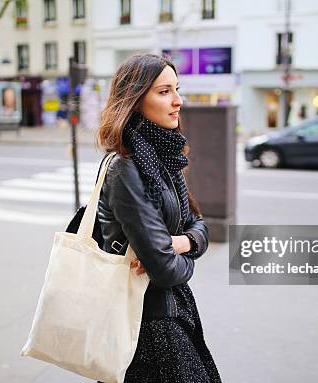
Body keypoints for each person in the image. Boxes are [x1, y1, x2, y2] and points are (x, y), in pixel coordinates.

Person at [97, 54, 221, 382]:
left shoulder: (165, 155)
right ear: (135, 101)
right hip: (149, 327)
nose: (178, 101)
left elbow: (199, 226)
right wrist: (181, 256)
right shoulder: (126, 168)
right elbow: (165, 270)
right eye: (164, 91)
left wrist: (181, 242)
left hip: (174, 313)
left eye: (177, 89)